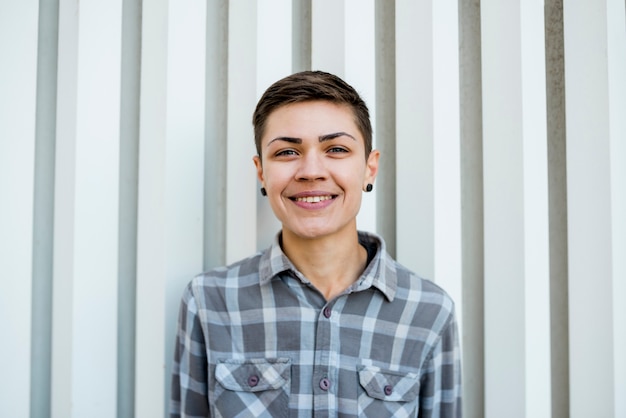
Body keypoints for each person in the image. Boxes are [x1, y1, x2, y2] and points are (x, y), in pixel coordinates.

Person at [170, 70, 462, 417]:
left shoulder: (429, 312)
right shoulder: (209, 302)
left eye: (336, 149)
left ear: (370, 168)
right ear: (261, 171)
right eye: (287, 151)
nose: (311, 170)